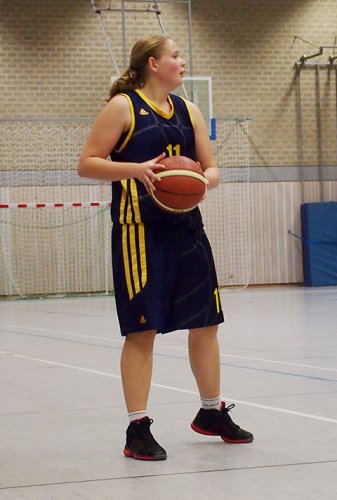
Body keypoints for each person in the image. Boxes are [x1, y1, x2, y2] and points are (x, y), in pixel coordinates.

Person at [79, 35, 253, 461]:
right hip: (140, 232)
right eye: (175, 55)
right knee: (142, 330)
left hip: (187, 229)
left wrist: (200, 180)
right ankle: (137, 427)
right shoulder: (123, 107)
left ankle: (210, 412)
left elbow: (212, 168)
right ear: (153, 63)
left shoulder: (189, 110)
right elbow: (88, 163)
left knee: (206, 322)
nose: (182, 61)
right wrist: (135, 169)